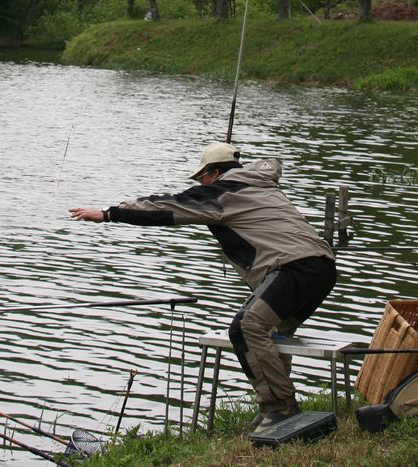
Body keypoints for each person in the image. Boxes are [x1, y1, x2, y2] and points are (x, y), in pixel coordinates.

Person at [68, 141, 336, 432]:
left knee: (246, 327)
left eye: (202, 178)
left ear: (215, 172)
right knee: (270, 333)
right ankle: (272, 408)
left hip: (294, 268)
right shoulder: (261, 185)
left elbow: (167, 207)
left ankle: (281, 409)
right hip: (322, 268)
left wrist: (110, 213)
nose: (201, 184)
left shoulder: (223, 193)